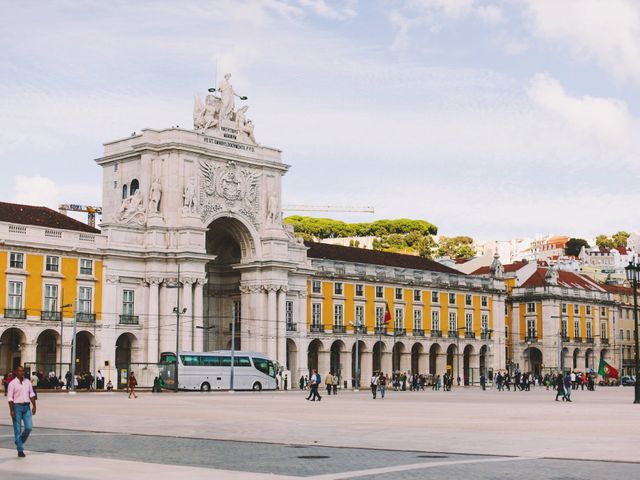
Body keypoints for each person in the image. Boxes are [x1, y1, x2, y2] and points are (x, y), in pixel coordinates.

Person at [7, 366, 37, 458]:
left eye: (23, 371)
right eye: (19, 371)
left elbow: (31, 394)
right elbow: (10, 398)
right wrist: (11, 410)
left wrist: (34, 406)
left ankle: (18, 441)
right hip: (17, 407)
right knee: (18, 429)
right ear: (16, 372)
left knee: (29, 427)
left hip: (26, 407)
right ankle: (20, 450)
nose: (22, 372)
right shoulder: (12, 383)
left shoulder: (27, 382)